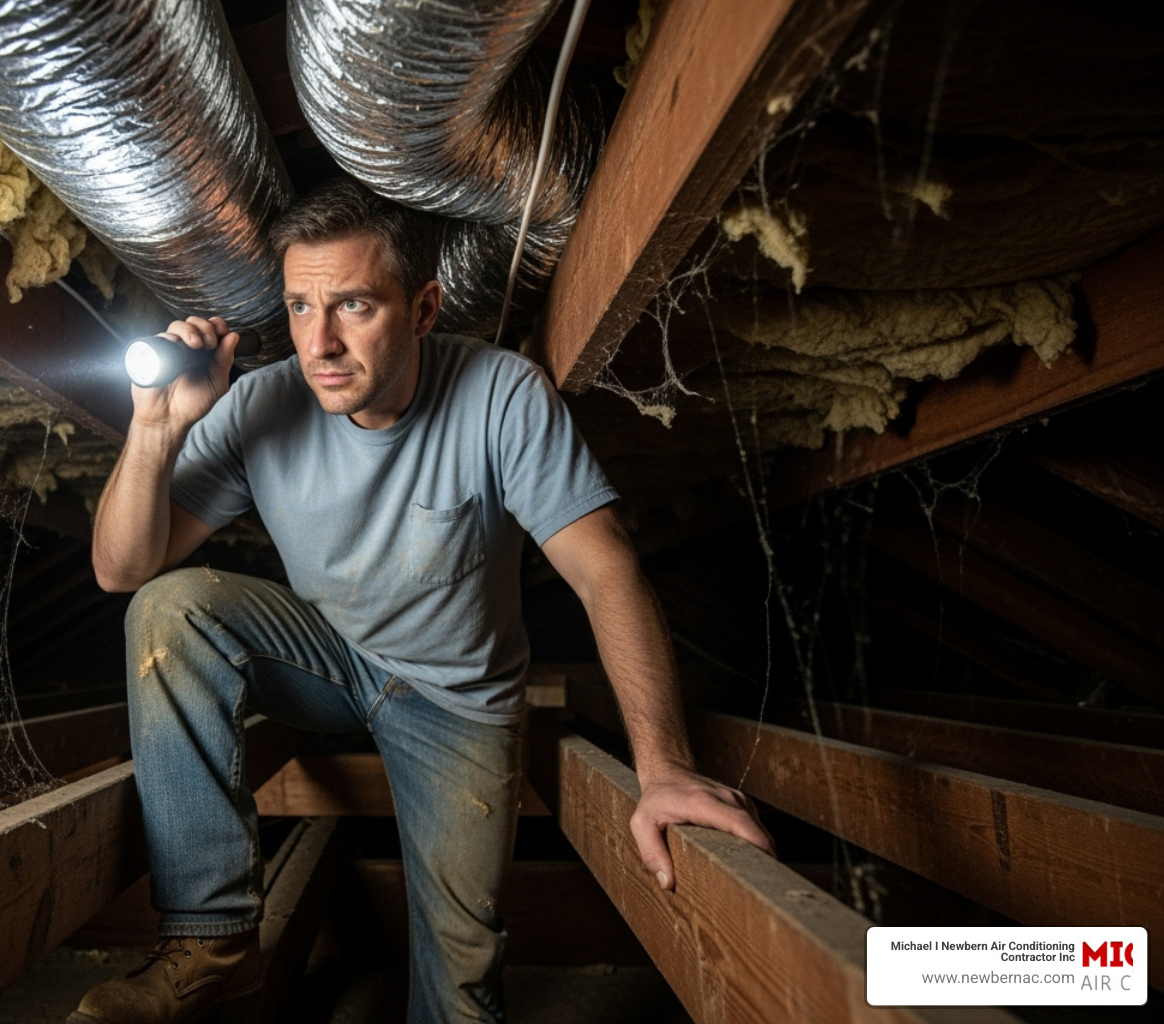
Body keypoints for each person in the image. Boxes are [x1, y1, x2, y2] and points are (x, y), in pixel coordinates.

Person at [70, 177, 773, 1024]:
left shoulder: (500, 395)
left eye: (354, 306)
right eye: (299, 307)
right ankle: (212, 942)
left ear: (425, 308)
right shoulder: (263, 402)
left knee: (462, 991)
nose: (320, 342)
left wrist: (662, 770)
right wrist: (156, 429)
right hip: (329, 657)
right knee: (170, 610)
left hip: (456, 701)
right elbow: (121, 570)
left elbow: (605, 570)